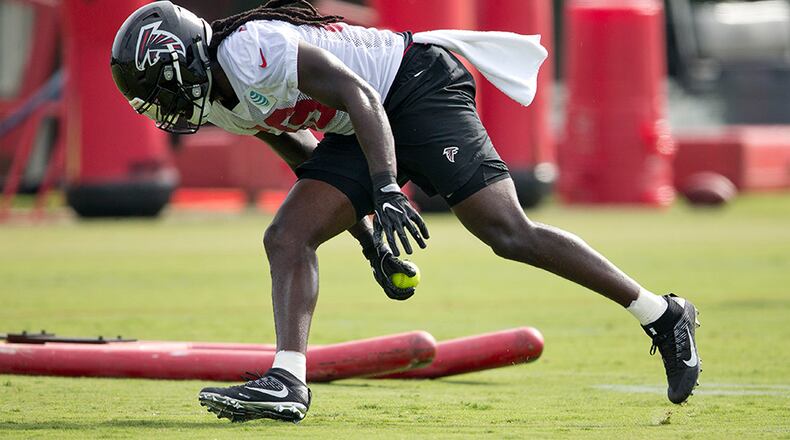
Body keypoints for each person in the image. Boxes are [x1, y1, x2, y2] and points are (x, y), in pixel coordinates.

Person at [110, 0, 701, 424]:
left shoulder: (249, 50)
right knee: (288, 235)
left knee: (507, 232)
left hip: (412, 86)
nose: (160, 105)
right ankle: (289, 379)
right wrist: (367, 237)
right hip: (355, 127)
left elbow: (360, 94)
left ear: (179, 57)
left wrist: (387, 186)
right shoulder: (218, 96)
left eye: (157, 87)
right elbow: (295, 144)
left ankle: (661, 313)